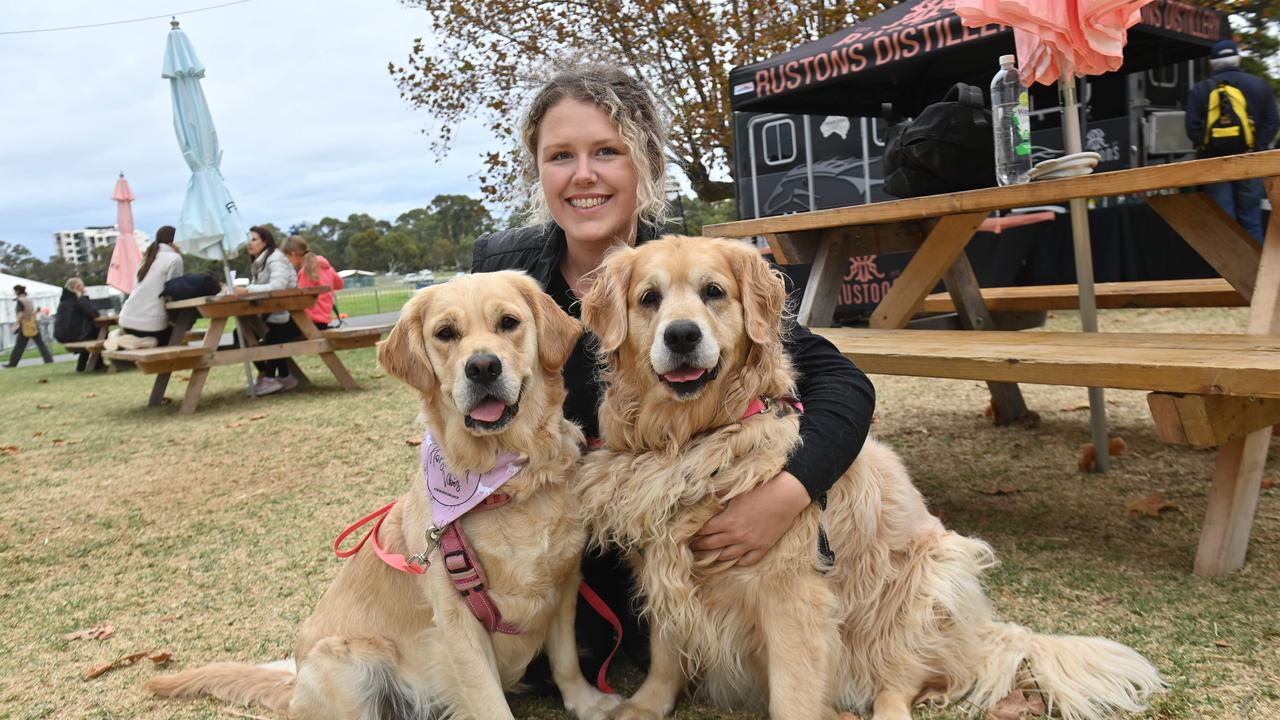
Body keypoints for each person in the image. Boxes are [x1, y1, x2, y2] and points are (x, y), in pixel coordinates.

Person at [470, 63, 876, 677]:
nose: (583, 175)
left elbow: (843, 384)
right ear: (539, 170)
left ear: (647, 164)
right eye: (560, 156)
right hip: (544, 528)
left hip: (650, 536)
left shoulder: (696, 271)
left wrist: (787, 494)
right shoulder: (503, 273)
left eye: (607, 151)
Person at [1185, 39, 1279, 244]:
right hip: (1251, 162)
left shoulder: (1201, 89)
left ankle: (1229, 274)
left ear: (1212, 62)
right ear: (1237, 59)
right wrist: (1256, 147)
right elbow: (1272, 122)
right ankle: (1257, 274)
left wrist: (1210, 147)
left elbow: (1191, 128)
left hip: (1214, 164)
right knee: (1251, 220)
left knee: (1224, 223)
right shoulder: (1258, 85)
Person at [236, 226, 299, 395]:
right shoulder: (260, 261)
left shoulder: (274, 259)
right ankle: (281, 376)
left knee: (268, 334)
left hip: (290, 315)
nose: (250, 243)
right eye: (248, 239)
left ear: (265, 241)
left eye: (254, 239)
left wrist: (247, 290)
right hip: (272, 314)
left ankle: (269, 378)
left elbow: (278, 286)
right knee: (241, 333)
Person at [115, 225, 185, 349]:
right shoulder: (174, 259)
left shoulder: (147, 258)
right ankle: (145, 342)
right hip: (150, 326)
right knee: (177, 336)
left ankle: (124, 339)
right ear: (173, 242)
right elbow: (174, 291)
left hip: (126, 319)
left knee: (169, 333)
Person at [283, 235, 344, 329]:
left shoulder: (305, 271)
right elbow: (340, 284)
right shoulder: (327, 267)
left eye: (287, 257)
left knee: (272, 334)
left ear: (293, 254)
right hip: (323, 320)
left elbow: (300, 299)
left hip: (308, 321)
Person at [55, 277, 104, 372]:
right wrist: (81, 297)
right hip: (72, 335)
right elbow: (94, 314)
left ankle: (83, 366)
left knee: (96, 333)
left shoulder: (65, 300)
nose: (84, 288)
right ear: (77, 287)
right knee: (99, 333)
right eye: (83, 285)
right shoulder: (76, 300)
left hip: (63, 335)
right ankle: (97, 365)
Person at [5, 284, 54, 367]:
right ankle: (48, 360)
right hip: (33, 324)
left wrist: (15, 325)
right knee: (41, 344)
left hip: (25, 325)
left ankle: (12, 363)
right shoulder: (28, 300)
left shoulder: (20, 301)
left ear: (17, 292)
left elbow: (20, 314)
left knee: (19, 346)